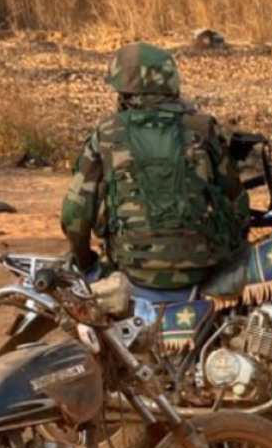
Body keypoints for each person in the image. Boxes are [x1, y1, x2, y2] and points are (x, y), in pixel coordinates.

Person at [60, 42, 248, 290]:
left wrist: (85, 262)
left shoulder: (107, 133)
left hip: (132, 270)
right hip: (202, 269)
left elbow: (75, 213)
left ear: (123, 90)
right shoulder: (202, 128)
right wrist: (232, 251)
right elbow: (237, 202)